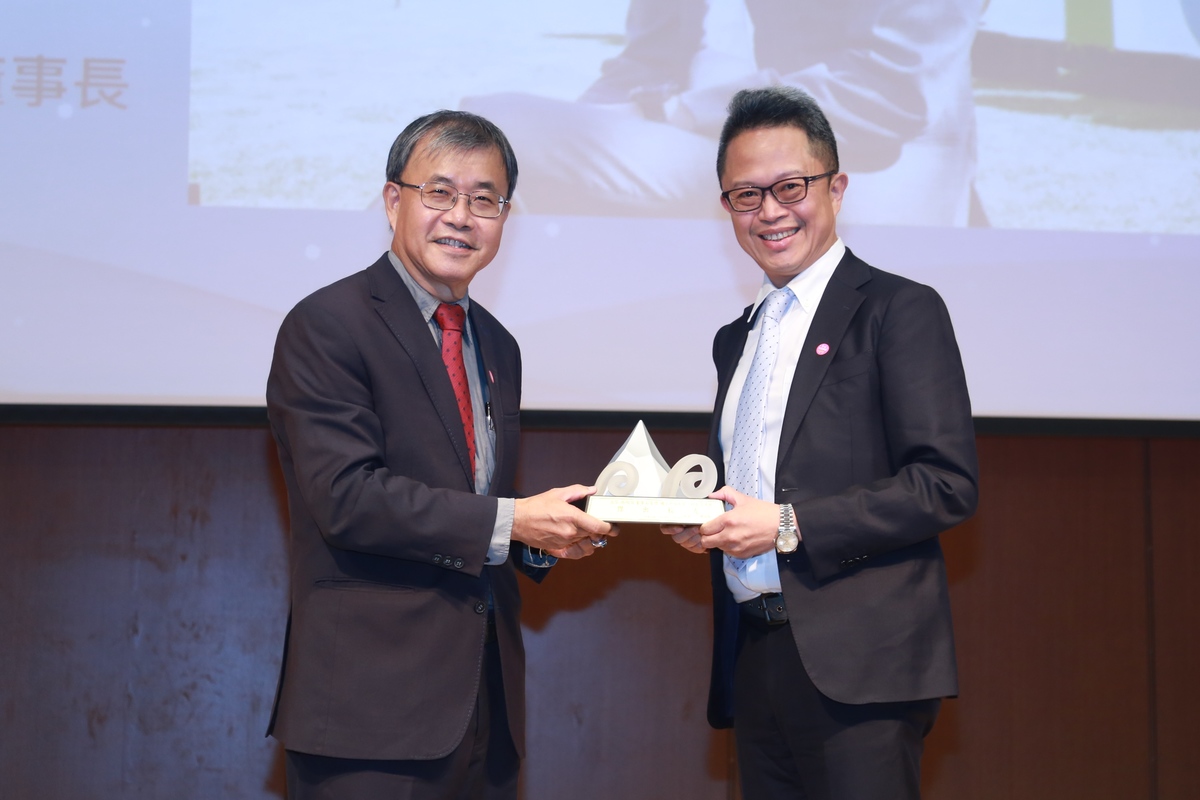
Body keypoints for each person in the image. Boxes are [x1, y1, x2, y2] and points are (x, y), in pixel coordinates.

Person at [265, 109, 615, 799]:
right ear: (394, 200)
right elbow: (348, 500)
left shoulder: (497, 344)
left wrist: (540, 538)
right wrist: (513, 521)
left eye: (485, 199)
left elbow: (469, 503)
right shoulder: (327, 325)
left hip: (482, 708)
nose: (462, 216)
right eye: (440, 192)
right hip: (369, 711)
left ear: (505, 218)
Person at [662, 87, 979, 799]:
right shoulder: (735, 337)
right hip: (758, 652)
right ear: (726, 208)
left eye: (790, 187)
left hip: (861, 666)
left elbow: (945, 483)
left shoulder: (899, 310)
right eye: (746, 195)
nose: (770, 211)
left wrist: (782, 524)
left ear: (835, 188)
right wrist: (705, 519)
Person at [462, 0, 985, 226]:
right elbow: (642, 65)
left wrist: (683, 113)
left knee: (491, 130)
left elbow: (885, 95)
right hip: (697, 147)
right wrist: (582, 129)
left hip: (856, 164)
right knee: (488, 160)